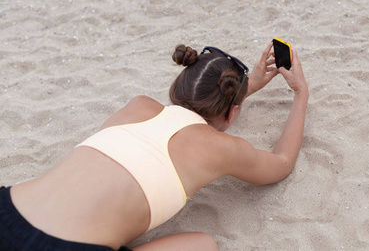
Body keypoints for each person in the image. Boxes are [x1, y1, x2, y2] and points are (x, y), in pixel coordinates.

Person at [0, 41, 308, 251]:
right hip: (67, 247)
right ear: (233, 112)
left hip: (7, 211)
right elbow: (281, 164)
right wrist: (300, 93)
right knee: (202, 245)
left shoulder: (138, 106)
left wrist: (244, 88)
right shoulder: (223, 148)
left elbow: (186, 116)